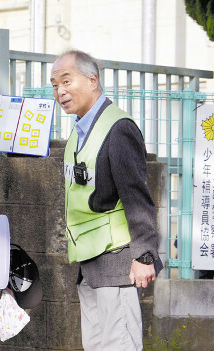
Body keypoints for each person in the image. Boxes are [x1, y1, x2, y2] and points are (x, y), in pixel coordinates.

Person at [50, 50, 162, 351]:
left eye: (66, 81)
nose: (60, 91)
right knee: (98, 345)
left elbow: (137, 197)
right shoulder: (79, 130)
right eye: (54, 84)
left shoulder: (117, 128)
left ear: (92, 80)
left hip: (118, 261)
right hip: (89, 263)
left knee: (119, 343)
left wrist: (144, 255)